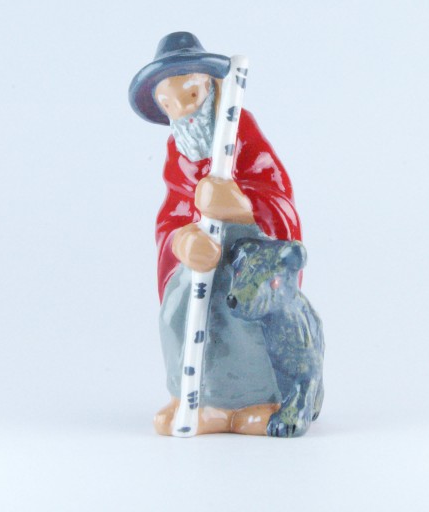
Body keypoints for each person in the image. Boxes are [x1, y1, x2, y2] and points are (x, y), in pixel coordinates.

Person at [129, 32, 302, 435]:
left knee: (248, 318)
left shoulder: (243, 134)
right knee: (178, 310)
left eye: (190, 96)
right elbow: (172, 214)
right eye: (168, 104)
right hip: (200, 262)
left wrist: (240, 207)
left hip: (245, 258)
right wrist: (183, 241)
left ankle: (259, 399)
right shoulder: (178, 151)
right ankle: (195, 400)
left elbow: (279, 199)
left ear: (210, 87)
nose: (183, 112)